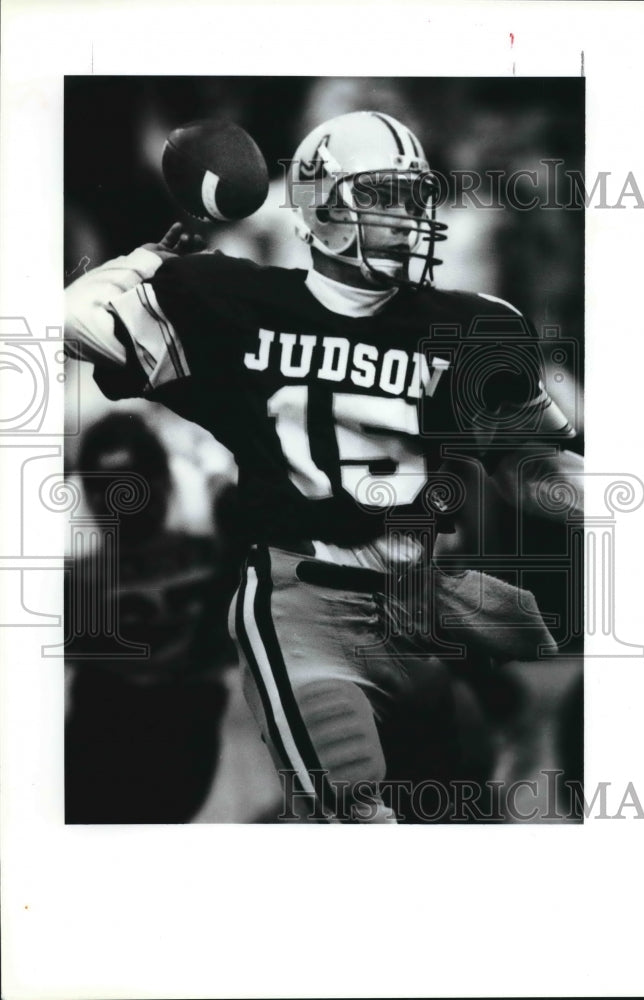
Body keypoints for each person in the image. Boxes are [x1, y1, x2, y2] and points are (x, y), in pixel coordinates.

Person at [65, 110, 583, 823]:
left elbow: (533, 463)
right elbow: (68, 319)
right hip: (300, 592)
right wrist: (145, 265)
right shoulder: (234, 301)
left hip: (417, 604)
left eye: (413, 196)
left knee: (457, 810)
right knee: (353, 811)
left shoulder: (473, 323)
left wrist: (632, 506)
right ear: (325, 206)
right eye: (382, 196)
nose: (406, 217)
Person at [64, 412, 237, 823]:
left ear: (167, 480)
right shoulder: (60, 534)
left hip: (185, 701)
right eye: (109, 496)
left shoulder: (210, 503)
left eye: (138, 493)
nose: (127, 509)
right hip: (109, 698)